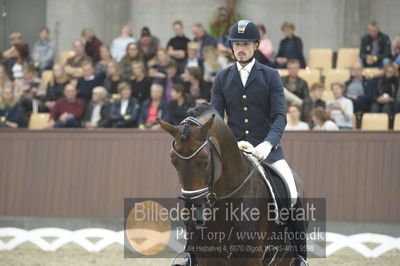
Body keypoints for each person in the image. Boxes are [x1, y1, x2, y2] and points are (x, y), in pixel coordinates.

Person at [210, 20, 308, 266]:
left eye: (245, 44)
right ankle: (191, 252)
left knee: (292, 192)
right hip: (233, 152)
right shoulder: (221, 78)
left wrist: (267, 144)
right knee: (200, 193)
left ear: (256, 46)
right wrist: (227, 145)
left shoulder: (271, 76)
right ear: (231, 47)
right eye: (236, 44)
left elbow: (279, 117)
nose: (240, 48)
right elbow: (215, 118)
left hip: (267, 151)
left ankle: (299, 256)